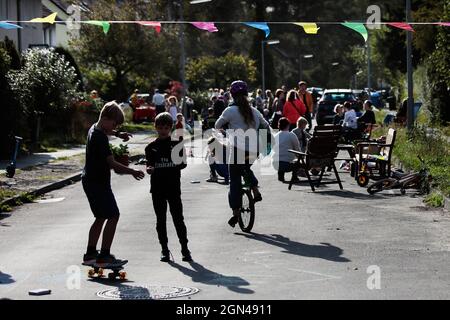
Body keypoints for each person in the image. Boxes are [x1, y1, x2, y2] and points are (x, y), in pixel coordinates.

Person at [82, 102, 145, 267]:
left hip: (91, 179)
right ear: (105, 118)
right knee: (113, 215)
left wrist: (117, 133)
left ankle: (90, 254)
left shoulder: (95, 129)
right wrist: (132, 171)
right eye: (114, 124)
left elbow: (107, 128)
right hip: (97, 183)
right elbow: (112, 163)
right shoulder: (99, 137)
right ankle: (104, 255)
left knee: (101, 216)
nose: (114, 127)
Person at [215, 80, 269, 228]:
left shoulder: (229, 111)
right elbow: (266, 126)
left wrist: (227, 129)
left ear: (232, 95)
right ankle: (255, 189)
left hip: (238, 150)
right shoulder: (255, 111)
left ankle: (235, 212)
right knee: (245, 167)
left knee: (234, 180)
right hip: (254, 149)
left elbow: (217, 125)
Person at [145, 112, 192, 262]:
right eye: (160, 128)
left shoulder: (176, 144)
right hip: (157, 188)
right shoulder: (151, 147)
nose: (163, 130)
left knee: (178, 218)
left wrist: (175, 161)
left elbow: (183, 164)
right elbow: (149, 163)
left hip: (173, 187)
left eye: (166, 128)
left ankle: (185, 248)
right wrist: (149, 169)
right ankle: (164, 249)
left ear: (170, 128)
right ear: (156, 128)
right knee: (161, 219)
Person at [272, 117, 301, 182]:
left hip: (275, 163)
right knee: (298, 162)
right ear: (288, 125)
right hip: (287, 164)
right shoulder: (291, 135)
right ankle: (294, 176)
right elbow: (297, 149)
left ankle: (281, 174)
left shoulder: (275, 136)